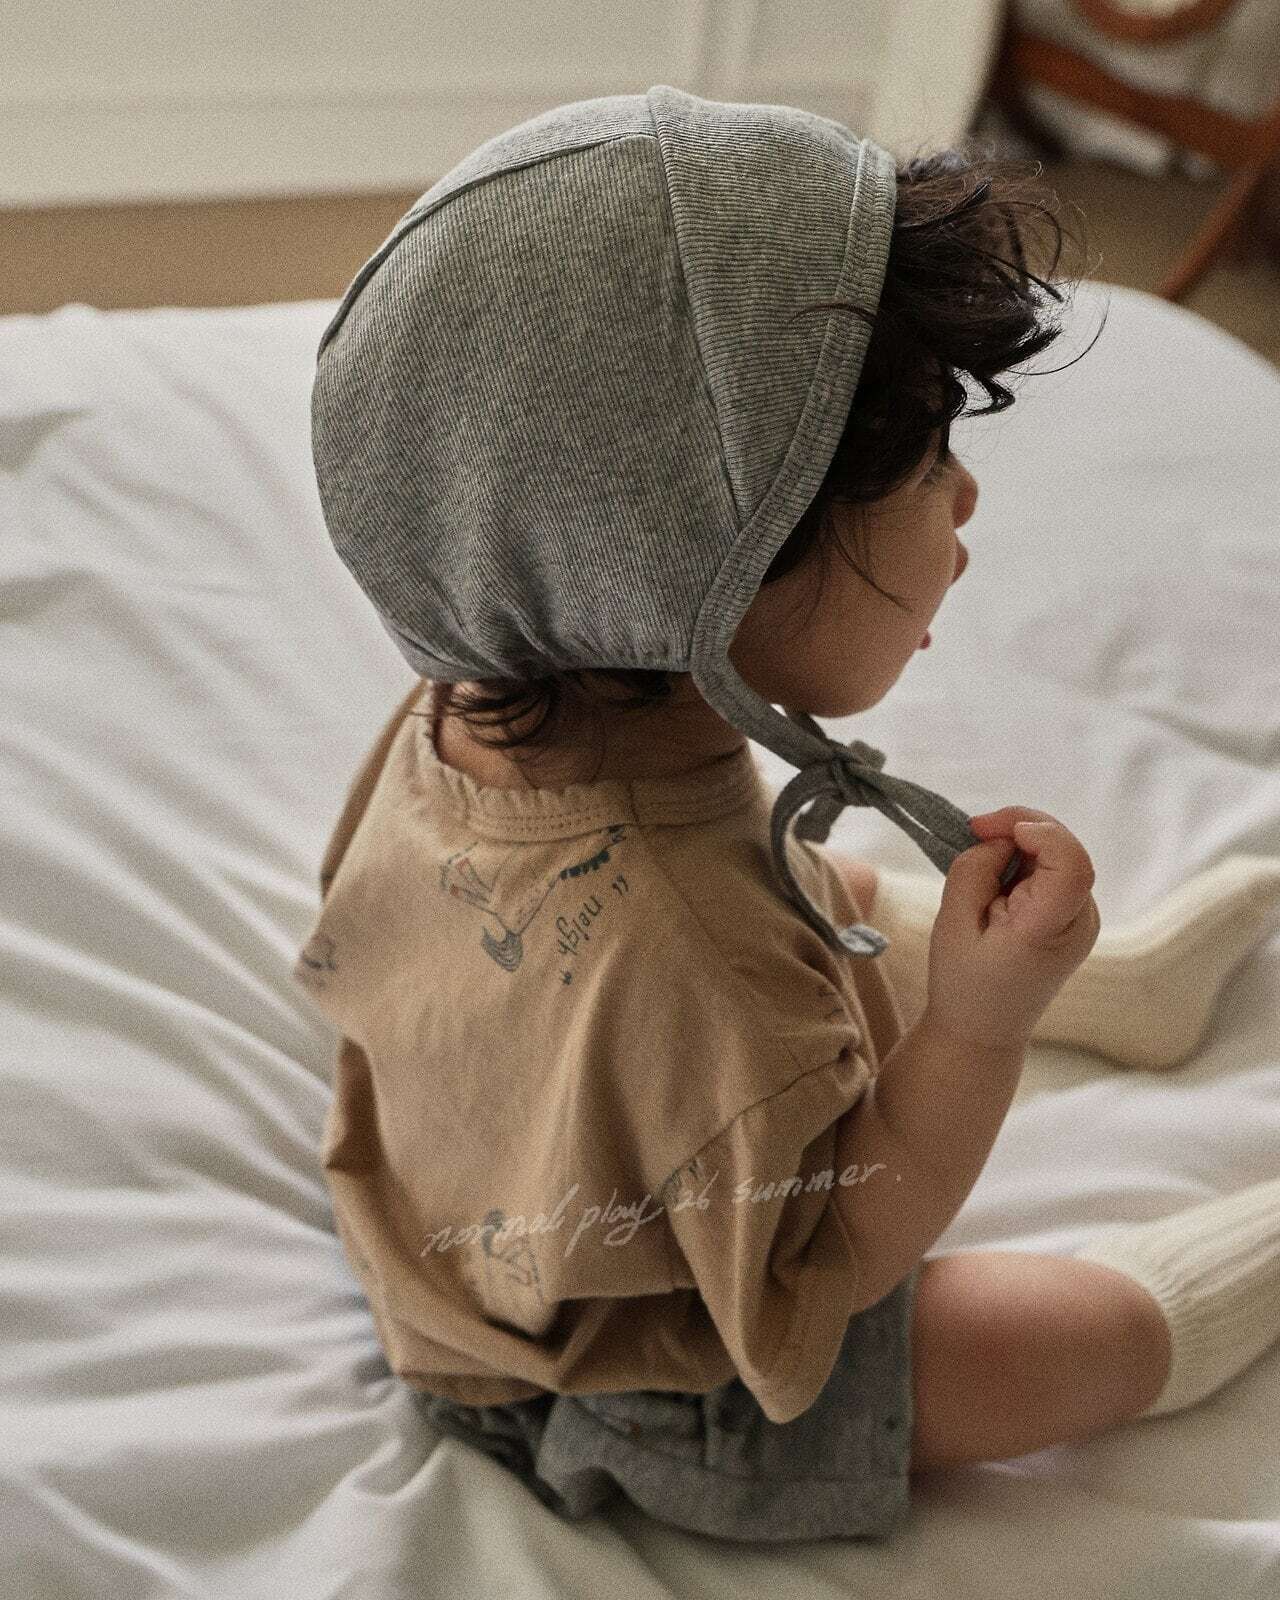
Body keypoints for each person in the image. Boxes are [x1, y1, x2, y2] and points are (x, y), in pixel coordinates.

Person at [295, 86, 1280, 1543]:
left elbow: (721, 942)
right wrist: (978, 1029)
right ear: (708, 570)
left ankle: (1124, 993)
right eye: (923, 464)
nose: (966, 500)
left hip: (480, 1181)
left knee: (811, 879)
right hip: (606, 1358)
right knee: (1023, 1347)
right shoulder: (697, 957)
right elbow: (846, 1242)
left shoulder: (475, 697)